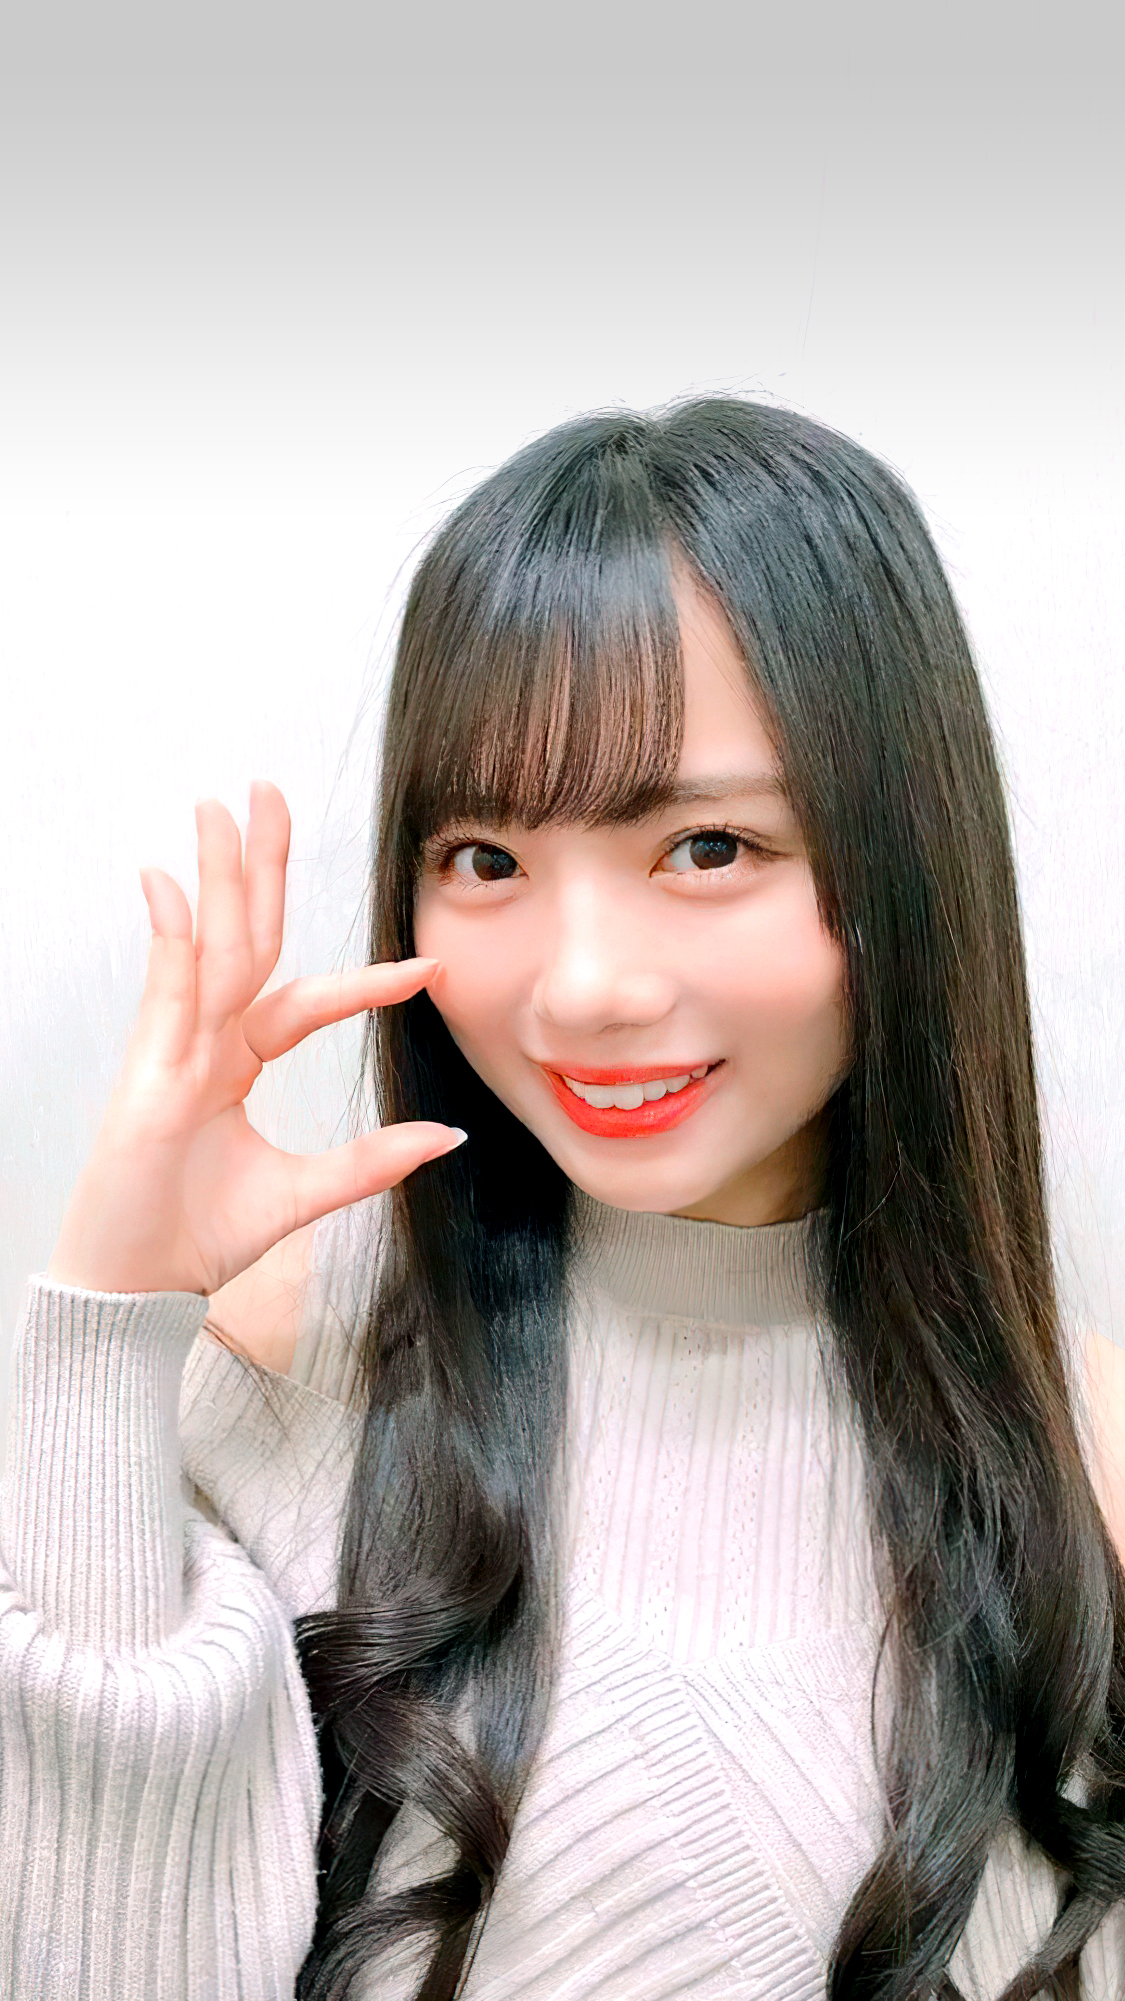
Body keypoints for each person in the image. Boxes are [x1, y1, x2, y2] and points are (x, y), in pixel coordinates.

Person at [2, 398, 1124, 2001]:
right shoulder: (289, 1357)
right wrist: (110, 1323)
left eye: (706, 845)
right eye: (485, 857)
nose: (581, 986)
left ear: (900, 856)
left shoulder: (1091, 1460)